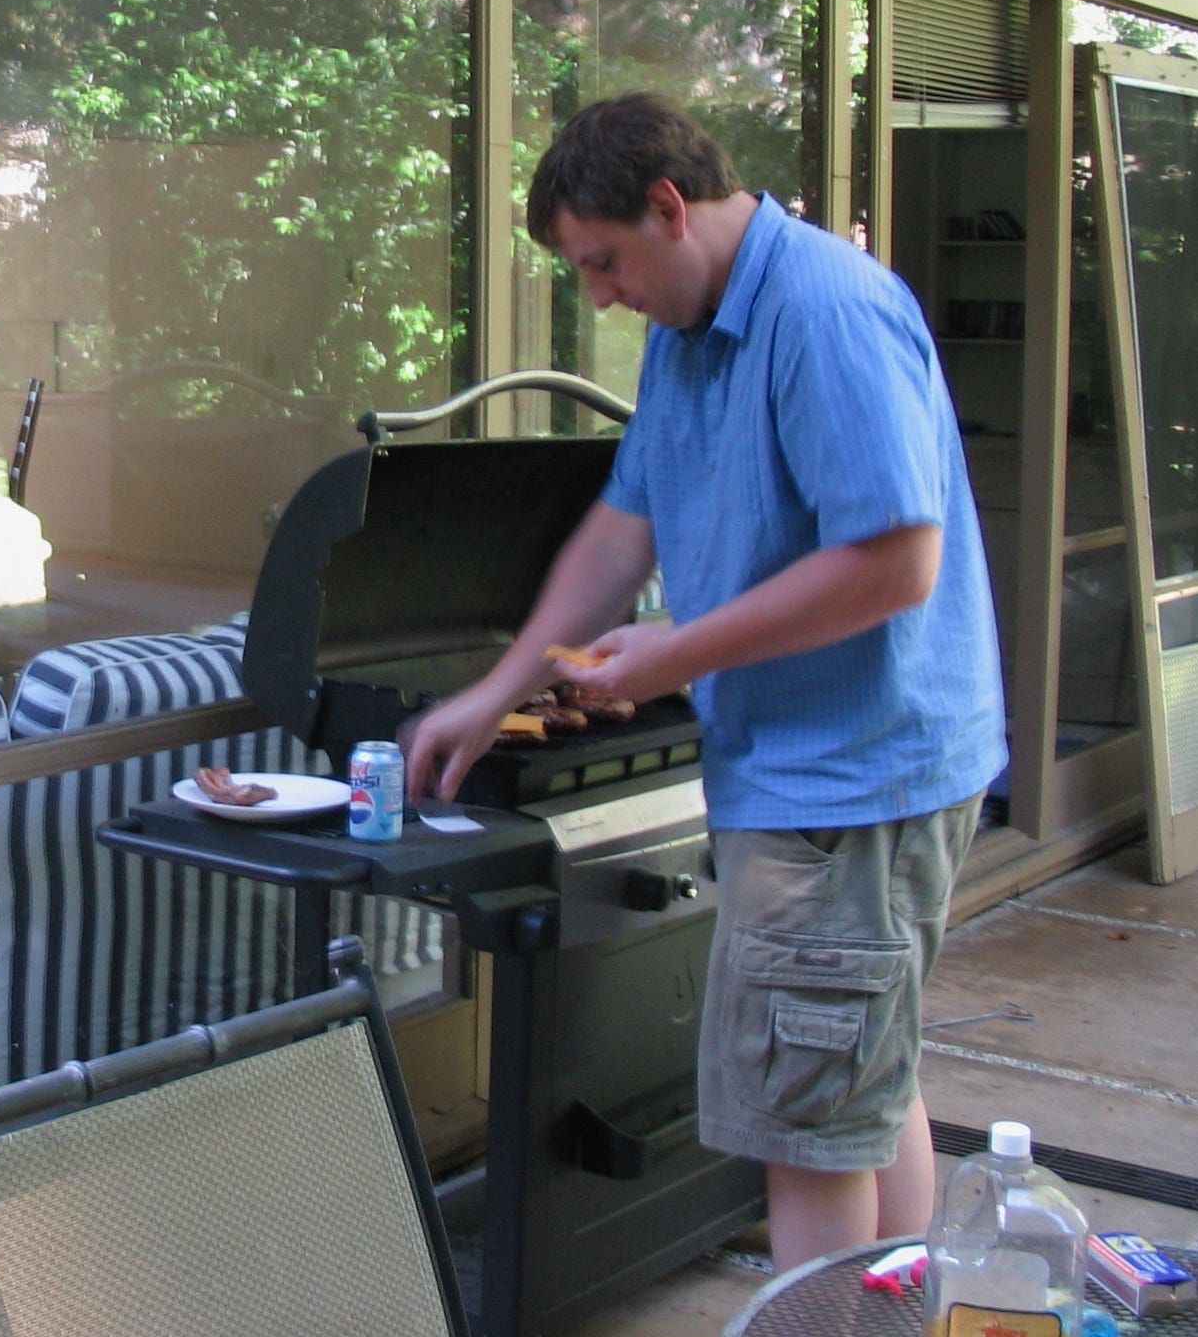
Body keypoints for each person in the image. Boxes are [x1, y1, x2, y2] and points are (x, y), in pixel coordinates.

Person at [404, 91, 1003, 1272]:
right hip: (812, 775)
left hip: (852, 782)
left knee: (809, 1134)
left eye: (604, 261)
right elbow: (618, 535)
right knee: (862, 1088)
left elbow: (895, 562)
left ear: (670, 209)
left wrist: (673, 653)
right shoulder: (689, 337)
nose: (600, 295)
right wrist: (497, 686)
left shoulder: (824, 310)